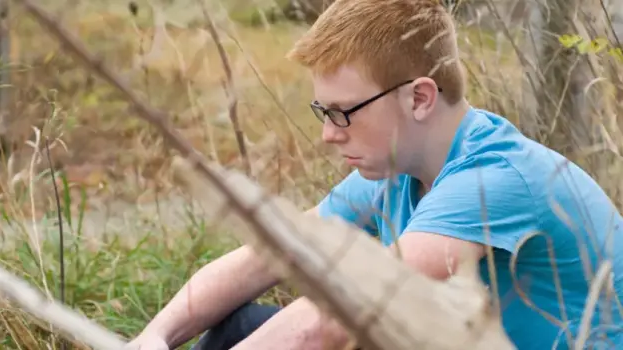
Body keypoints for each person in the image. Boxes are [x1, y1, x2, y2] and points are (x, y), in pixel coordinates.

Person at [124, 0, 623, 349]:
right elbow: (272, 252)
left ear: (419, 98)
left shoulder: (491, 182)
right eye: (323, 111)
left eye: (344, 112)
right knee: (240, 326)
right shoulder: (394, 170)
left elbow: (332, 324)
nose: (328, 134)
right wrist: (156, 335)